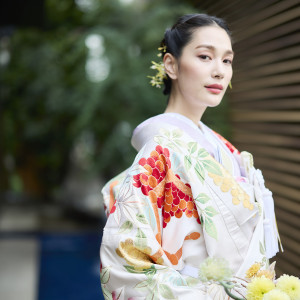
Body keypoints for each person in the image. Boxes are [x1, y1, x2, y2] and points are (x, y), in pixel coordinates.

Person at [100, 13, 281, 299]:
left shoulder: (223, 148)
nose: (219, 71)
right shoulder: (160, 148)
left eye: (227, 60)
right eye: (205, 57)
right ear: (171, 64)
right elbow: (126, 256)